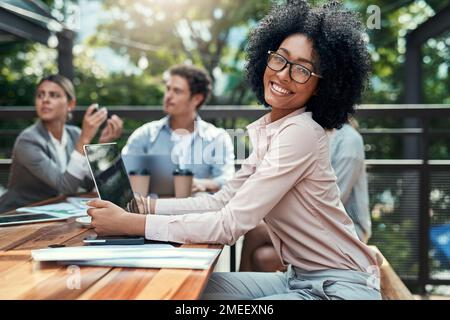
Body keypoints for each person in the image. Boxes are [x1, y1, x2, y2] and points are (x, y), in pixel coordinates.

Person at [87, 0, 383, 300]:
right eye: (280, 59)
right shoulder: (276, 129)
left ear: (321, 86)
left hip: (339, 290)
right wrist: (147, 207)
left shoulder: (301, 133)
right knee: (189, 291)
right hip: (297, 278)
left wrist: (132, 223)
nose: (283, 75)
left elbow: (230, 225)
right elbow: (222, 201)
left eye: (302, 70)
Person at [239, 118, 372, 272]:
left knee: (255, 233)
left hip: (344, 232)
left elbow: (332, 202)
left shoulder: (349, 141)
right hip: (312, 222)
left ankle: (233, 293)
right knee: (262, 256)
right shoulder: (312, 132)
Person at [0, 74, 123, 213]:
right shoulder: (28, 140)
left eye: (53, 95)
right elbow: (65, 188)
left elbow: (89, 184)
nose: (45, 100)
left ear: (71, 104)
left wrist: (102, 146)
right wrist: (84, 140)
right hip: (16, 216)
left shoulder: (75, 134)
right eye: (40, 95)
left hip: (53, 213)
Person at [122, 64, 235, 193]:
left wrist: (199, 184)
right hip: (153, 209)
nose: (168, 96)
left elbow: (226, 179)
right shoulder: (146, 135)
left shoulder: (217, 138)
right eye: (168, 89)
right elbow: (122, 176)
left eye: (177, 91)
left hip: (195, 210)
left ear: (197, 99)